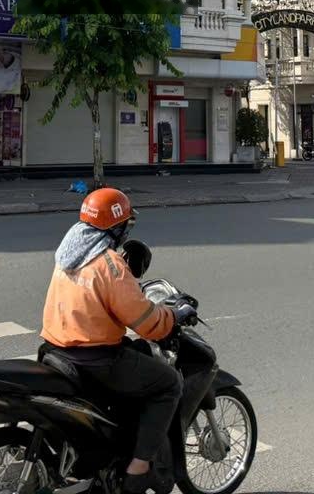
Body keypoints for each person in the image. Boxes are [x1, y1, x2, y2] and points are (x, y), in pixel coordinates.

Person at [40, 187, 190, 494]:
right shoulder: (109, 264)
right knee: (169, 383)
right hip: (97, 360)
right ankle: (139, 468)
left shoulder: (68, 252)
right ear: (117, 227)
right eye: (126, 225)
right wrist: (174, 316)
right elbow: (147, 323)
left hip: (56, 350)